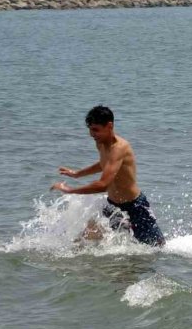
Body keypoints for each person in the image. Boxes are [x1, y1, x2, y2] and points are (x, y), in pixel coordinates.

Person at [51, 105, 165, 246]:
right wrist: (77, 174)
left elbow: (103, 185)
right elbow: (104, 163)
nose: (92, 134)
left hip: (135, 207)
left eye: (96, 130)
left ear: (109, 126)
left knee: (156, 248)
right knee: (85, 239)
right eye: (90, 129)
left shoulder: (119, 148)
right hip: (113, 206)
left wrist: (70, 190)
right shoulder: (101, 143)